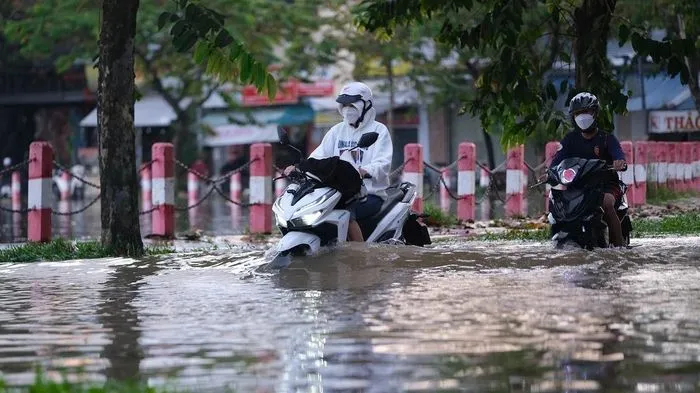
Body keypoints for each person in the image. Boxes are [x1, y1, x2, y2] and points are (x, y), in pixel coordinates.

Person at [284, 81, 393, 242]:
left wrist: (364, 171)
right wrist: (300, 168)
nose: (348, 109)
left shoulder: (379, 131)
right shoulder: (336, 131)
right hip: (337, 193)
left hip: (369, 194)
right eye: (345, 104)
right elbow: (318, 157)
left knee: (345, 212)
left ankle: (360, 255)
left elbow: (383, 163)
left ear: (366, 105)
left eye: (352, 104)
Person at [550, 92, 627, 247]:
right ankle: (557, 241)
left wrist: (620, 162)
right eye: (578, 113)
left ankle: (619, 248)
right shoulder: (570, 140)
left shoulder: (607, 139)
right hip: (578, 187)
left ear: (595, 113)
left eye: (586, 112)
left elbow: (619, 155)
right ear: (573, 116)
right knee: (558, 205)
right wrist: (549, 172)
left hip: (607, 186)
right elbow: (556, 162)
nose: (582, 116)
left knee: (606, 203)